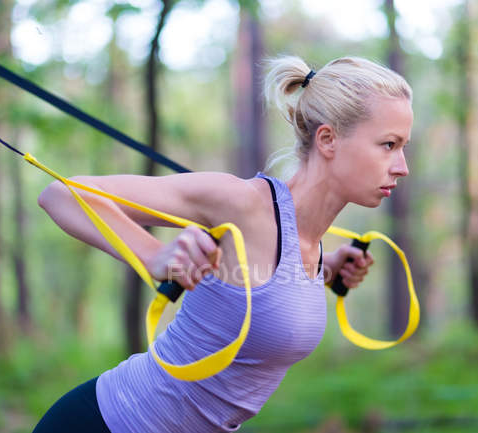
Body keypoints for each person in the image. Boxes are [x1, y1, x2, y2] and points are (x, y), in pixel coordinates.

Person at [33, 54, 413, 433]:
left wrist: (326, 269)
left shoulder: (306, 242)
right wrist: (153, 255)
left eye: (402, 147)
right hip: (106, 423)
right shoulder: (241, 203)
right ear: (328, 139)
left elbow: (260, 284)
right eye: (388, 145)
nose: (402, 166)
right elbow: (61, 196)